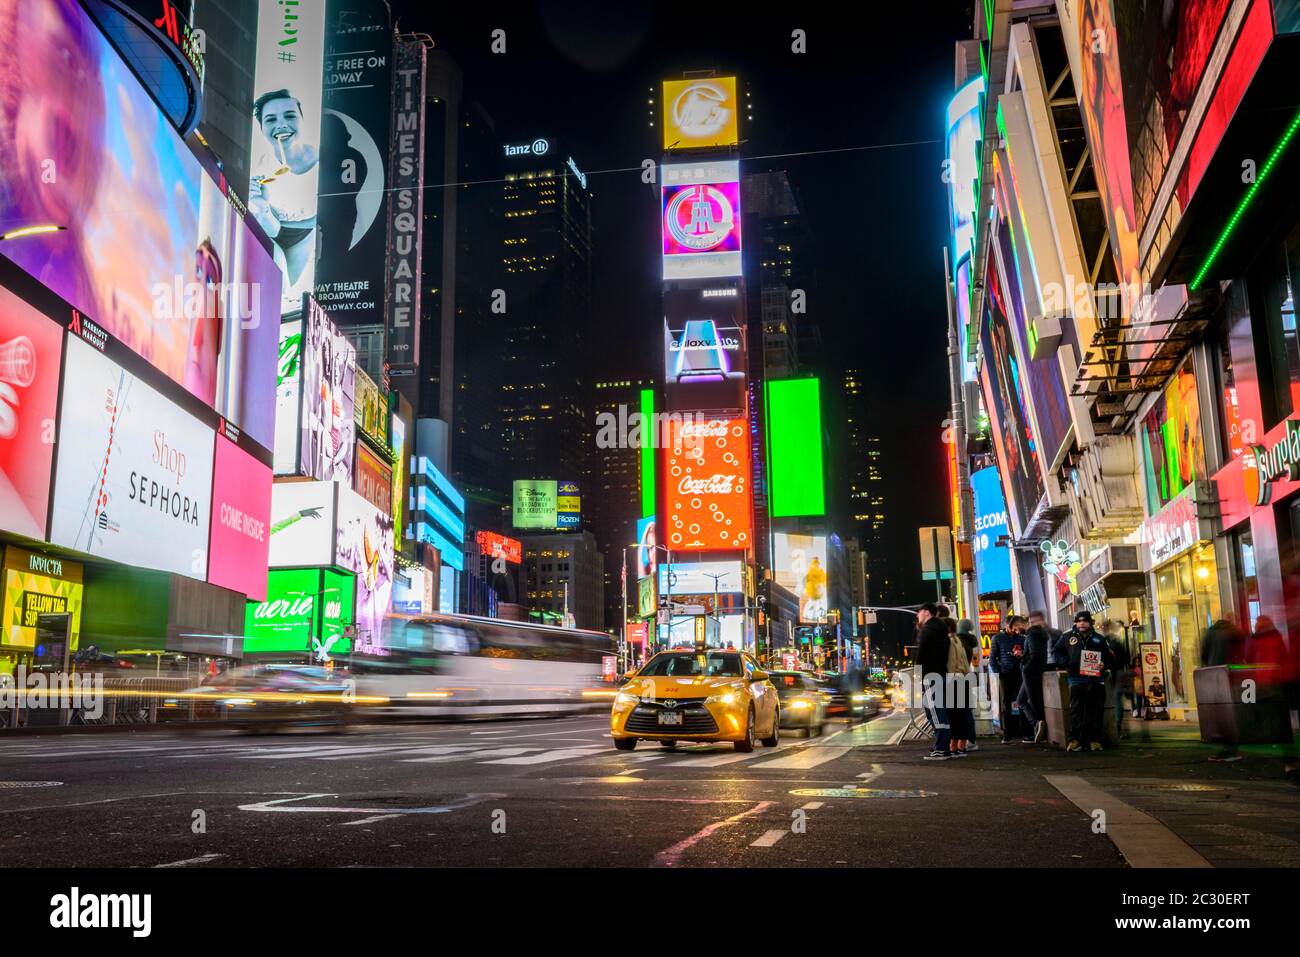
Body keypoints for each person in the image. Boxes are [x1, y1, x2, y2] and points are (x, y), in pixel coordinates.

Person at [1055, 610, 1116, 751]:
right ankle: (1075, 741)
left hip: (1096, 680)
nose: (1082, 623)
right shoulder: (1066, 637)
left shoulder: (1099, 638)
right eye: (1079, 621)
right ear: (1075, 622)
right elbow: (1056, 652)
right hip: (1076, 679)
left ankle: (1094, 741)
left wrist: (1104, 664)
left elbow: (1109, 656)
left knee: (1095, 711)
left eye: (1085, 621)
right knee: (1076, 711)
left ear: (1090, 622)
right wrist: (1067, 663)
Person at [916, 603, 954, 760]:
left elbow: (922, 653)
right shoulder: (942, 630)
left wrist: (918, 673)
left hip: (930, 674)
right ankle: (943, 746)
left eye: (919, 612)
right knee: (940, 711)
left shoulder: (928, 630)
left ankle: (941, 747)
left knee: (935, 713)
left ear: (926, 612)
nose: (918, 616)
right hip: (941, 673)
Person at [989, 615, 1027, 743]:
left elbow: (1027, 656)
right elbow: (992, 659)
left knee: (1023, 702)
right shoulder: (997, 638)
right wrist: (999, 673)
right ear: (1007, 625)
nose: (1016, 630)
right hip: (1005, 675)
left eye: (1018, 627)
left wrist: (1021, 657)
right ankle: (1007, 734)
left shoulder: (1022, 638)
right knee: (1006, 705)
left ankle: (1026, 733)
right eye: (1014, 627)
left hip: (1020, 674)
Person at [1018, 613, 1051, 743]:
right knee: (1023, 699)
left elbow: (1035, 654)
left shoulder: (1032, 635)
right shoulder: (1040, 635)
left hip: (1031, 671)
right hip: (1036, 670)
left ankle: (1038, 722)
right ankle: (1037, 724)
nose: (1018, 629)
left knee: (1031, 699)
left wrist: (1026, 666)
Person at [1102, 619, 1131, 739]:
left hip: (1112, 675)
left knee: (1115, 700)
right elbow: (1126, 658)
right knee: (1118, 700)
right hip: (1120, 673)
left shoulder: (1107, 642)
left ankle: (1117, 726)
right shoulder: (1118, 641)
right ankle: (1119, 726)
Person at [955, 619, 980, 752]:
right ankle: (970, 740)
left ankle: (967, 741)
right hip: (966, 676)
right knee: (966, 711)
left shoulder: (959, 642)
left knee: (961, 712)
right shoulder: (971, 641)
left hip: (959, 677)